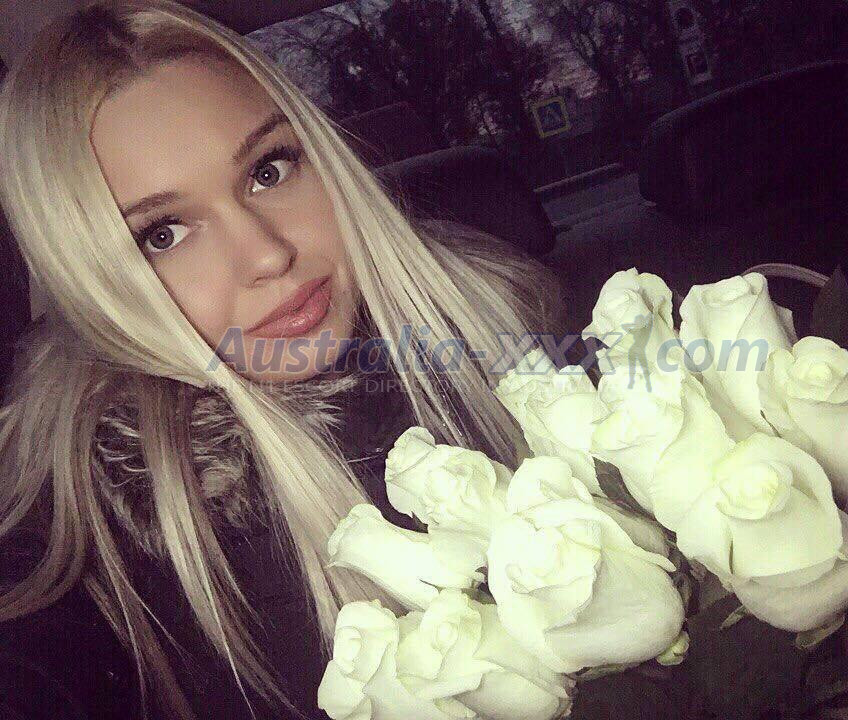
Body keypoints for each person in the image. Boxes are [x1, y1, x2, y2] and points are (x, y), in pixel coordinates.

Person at [0, 2, 570, 718]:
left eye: (268, 170)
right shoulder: (106, 525)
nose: (268, 254)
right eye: (163, 234)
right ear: (93, 280)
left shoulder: (506, 338)